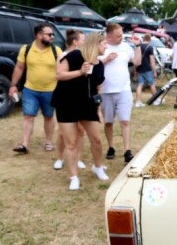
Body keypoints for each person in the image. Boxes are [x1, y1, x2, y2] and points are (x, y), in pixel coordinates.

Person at [54, 33, 109, 190]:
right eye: (104, 43)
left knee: (97, 139)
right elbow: (58, 75)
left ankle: (97, 167)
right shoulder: (75, 56)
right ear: (95, 44)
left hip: (87, 104)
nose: (106, 46)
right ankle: (74, 177)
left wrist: (98, 109)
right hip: (66, 103)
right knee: (71, 143)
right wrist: (79, 72)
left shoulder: (100, 65)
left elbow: (98, 88)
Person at [9, 23, 62, 154]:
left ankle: (49, 142)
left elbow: (62, 71)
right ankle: (25, 144)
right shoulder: (26, 49)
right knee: (28, 116)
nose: (52, 37)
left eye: (52, 34)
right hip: (30, 90)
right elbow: (19, 67)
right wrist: (13, 85)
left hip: (51, 90)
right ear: (39, 35)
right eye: (49, 34)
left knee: (49, 116)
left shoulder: (57, 51)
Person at [99, 23, 142, 163]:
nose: (121, 38)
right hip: (106, 91)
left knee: (125, 121)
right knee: (108, 122)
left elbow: (137, 61)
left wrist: (137, 46)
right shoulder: (102, 47)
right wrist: (106, 59)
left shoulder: (125, 47)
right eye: (118, 36)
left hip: (124, 90)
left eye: (122, 35)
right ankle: (111, 147)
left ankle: (127, 151)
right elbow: (93, 65)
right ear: (109, 36)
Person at [54, 29, 87, 170]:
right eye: (82, 40)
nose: (84, 42)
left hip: (80, 96)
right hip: (66, 97)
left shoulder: (84, 55)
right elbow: (59, 75)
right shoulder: (63, 55)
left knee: (80, 130)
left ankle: (77, 157)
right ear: (75, 41)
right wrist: (79, 73)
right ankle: (59, 157)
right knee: (64, 132)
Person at [134, 34, 158, 107]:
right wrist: (154, 71)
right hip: (147, 69)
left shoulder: (138, 46)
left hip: (139, 68)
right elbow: (152, 60)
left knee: (140, 85)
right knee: (152, 84)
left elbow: (136, 58)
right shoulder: (150, 47)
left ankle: (138, 101)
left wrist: (135, 70)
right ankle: (155, 99)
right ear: (150, 39)